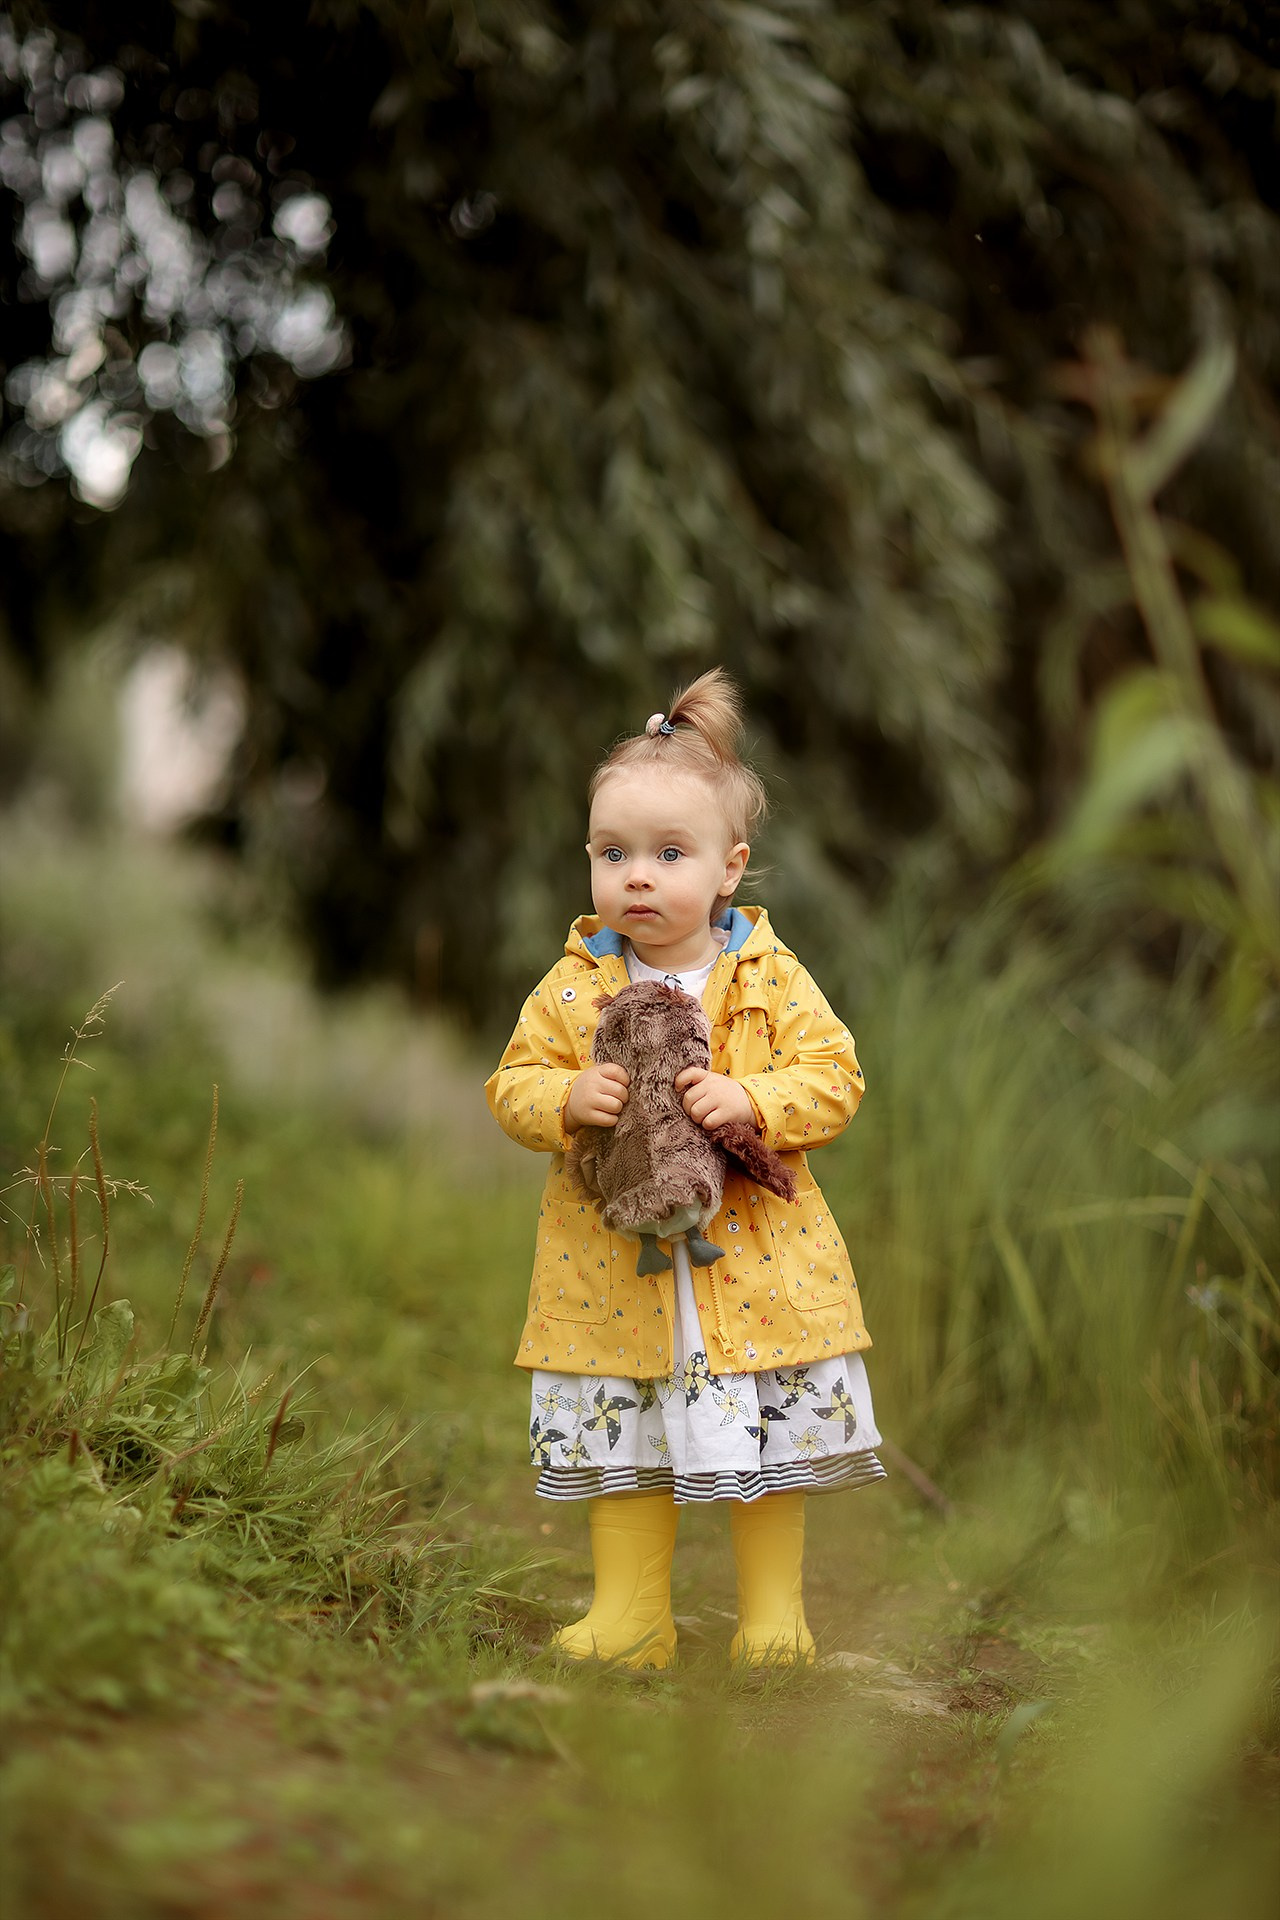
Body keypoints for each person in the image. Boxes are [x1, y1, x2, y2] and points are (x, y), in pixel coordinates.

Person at [485, 667, 884, 1669]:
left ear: (727, 867)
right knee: (623, 1439)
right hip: (612, 1266)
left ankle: (772, 1619)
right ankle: (632, 1616)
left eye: (668, 854)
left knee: (768, 1437)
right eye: (612, 853)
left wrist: (754, 1101)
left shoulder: (765, 977)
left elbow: (834, 1076)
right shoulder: (576, 987)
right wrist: (564, 1101)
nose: (637, 877)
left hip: (753, 1264)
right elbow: (513, 1082)